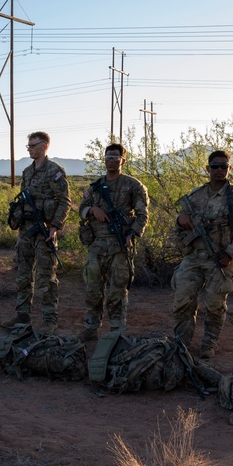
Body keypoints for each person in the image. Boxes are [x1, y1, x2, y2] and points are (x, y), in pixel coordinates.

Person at [169, 151, 233, 357]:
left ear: (229, 169)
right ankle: (181, 343)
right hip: (193, 258)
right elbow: (180, 225)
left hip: (220, 259)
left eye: (224, 167)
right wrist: (180, 221)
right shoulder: (196, 195)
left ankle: (208, 344)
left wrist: (231, 255)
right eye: (215, 166)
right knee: (182, 301)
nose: (219, 170)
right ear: (207, 168)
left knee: (215, 306)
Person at [76, 143, 149, 341]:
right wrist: (93, 210)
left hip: (119, 246)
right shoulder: (96, 186)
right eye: (108, 157)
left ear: (123, 161)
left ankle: (117, 329)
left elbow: (143, 215)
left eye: (115, 157)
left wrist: (132, 234)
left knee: (118, 290)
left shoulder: (133, 186)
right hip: (97, 245)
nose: (111, 160)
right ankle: (91, 327)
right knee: (93, 289)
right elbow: (81, 208)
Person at [2, 131, 71, 334]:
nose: (30, 149)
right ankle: (22, 315)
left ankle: (49, 319)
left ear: (45, 146)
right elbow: (22, 199)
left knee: (46, 277)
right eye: (28, 146)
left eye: (33, 145)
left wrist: (55, 226)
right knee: (23, 275)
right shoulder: (27, 172)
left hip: (45, 232)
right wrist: (16, 217)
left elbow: (65, 201)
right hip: (26, 231)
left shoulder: (55, 171)